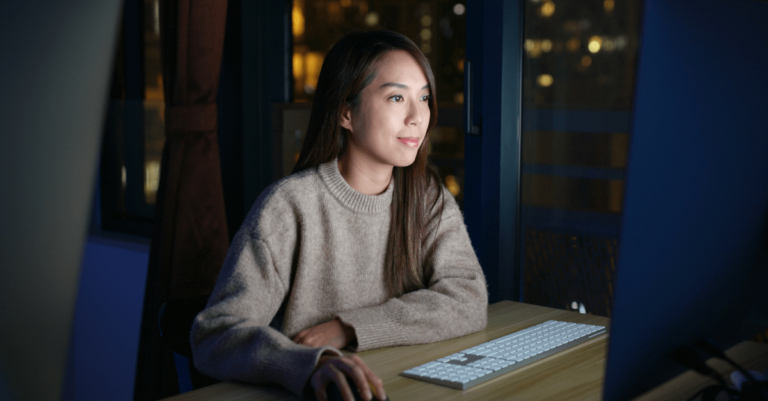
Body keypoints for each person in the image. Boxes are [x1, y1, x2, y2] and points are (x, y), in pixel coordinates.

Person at [190, 30, 488, 401]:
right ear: (346, 112)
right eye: (397, 97)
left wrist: (349, 328)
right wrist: (308, 362)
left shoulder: (427, 198)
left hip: (402, 385)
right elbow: (215, 334)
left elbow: (468, 299)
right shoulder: (289, 206)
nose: (418, 117)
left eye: (424, 98)